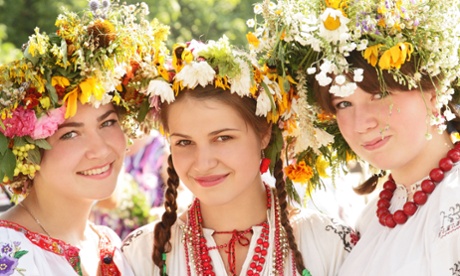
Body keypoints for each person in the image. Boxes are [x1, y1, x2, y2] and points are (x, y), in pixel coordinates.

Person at [247, 0, 460, 275]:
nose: (362, 124)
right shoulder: (373, 216)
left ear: (431, 93)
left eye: (380, 94)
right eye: (344, 104)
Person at [121, 36, 358, 275]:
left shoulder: (330, 246)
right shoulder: (141, 255)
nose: (203, 163)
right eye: (184, 142)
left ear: (264, 133)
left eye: (223, 138)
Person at [0, 0, 170, 275]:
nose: (100, 149)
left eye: (108, 122)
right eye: (70, 134)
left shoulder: (112, 247)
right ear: (27, 151)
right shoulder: (6, 251)